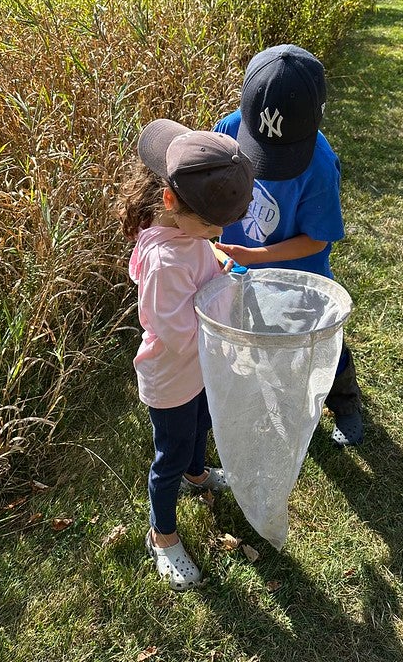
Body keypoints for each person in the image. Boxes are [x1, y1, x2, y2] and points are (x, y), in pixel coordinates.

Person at [117, 118, 254, 590]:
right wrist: (229, 335)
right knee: (170, 454)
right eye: (211, 225)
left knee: (201, 425)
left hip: (198, 369)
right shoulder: (165, 262)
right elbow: (176, 332)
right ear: (171, 202)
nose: (217, 232)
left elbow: (202, 258)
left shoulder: (185, 234)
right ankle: (163, 534)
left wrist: (218, 260)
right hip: (173, 376)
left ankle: (198, 476)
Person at [213, 44, 364, 447]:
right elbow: (211, 188)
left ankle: (345, 402)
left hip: (300, 278)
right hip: (242, 271)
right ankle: (281, 396)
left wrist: (256, 256)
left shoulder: (319, 164)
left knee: (321, 344)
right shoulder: (228, 129)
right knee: (265, 338)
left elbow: (316, 238)